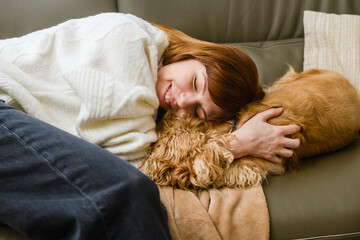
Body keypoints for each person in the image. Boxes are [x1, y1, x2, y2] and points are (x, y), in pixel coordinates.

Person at [0, 13, 300, 240]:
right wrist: (237, 144)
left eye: (197, 110)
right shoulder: (131, 37)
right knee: (127, 193)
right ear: (191, 56)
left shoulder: (150, 112)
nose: (182, 101)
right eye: (196, 82)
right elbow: (139, 170)